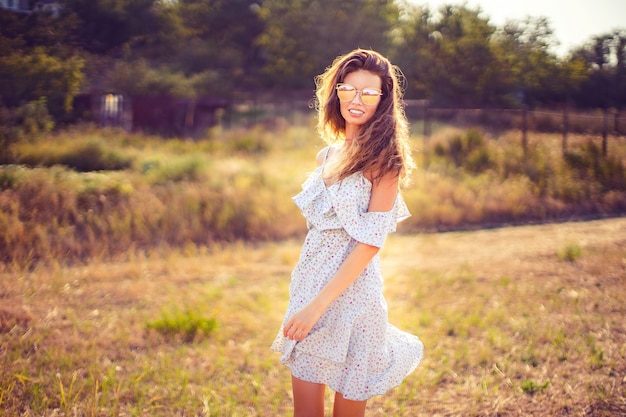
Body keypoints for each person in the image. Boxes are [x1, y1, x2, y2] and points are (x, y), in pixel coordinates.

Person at [271, 49, 424, 417]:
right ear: (335, 92)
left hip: (354, 298)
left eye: (369, 93)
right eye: (349, 89)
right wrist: (307, 301)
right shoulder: (326, 156)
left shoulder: (386, 160)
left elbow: (371, 243)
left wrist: (317, 307)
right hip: (308, 285)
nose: (357, 100)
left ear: (383, 100)